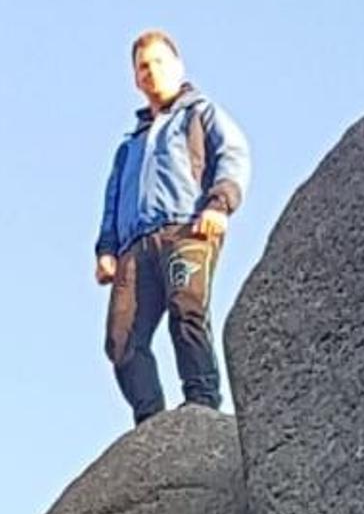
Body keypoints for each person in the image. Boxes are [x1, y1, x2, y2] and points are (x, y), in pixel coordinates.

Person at [92, 29, 250, 421]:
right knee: (122, 340)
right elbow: (112, 198)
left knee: (187, 310)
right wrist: (106, 249)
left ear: (178, 66)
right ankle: (151, 421)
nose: (151, 71)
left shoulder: (199, 112)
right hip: (135, 244)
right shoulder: (130, 143)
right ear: (135, 78)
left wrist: (219, 204)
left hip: (187, 229)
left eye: (159, 62)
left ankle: (202, 403)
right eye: (143, 66)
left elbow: (233, 153)